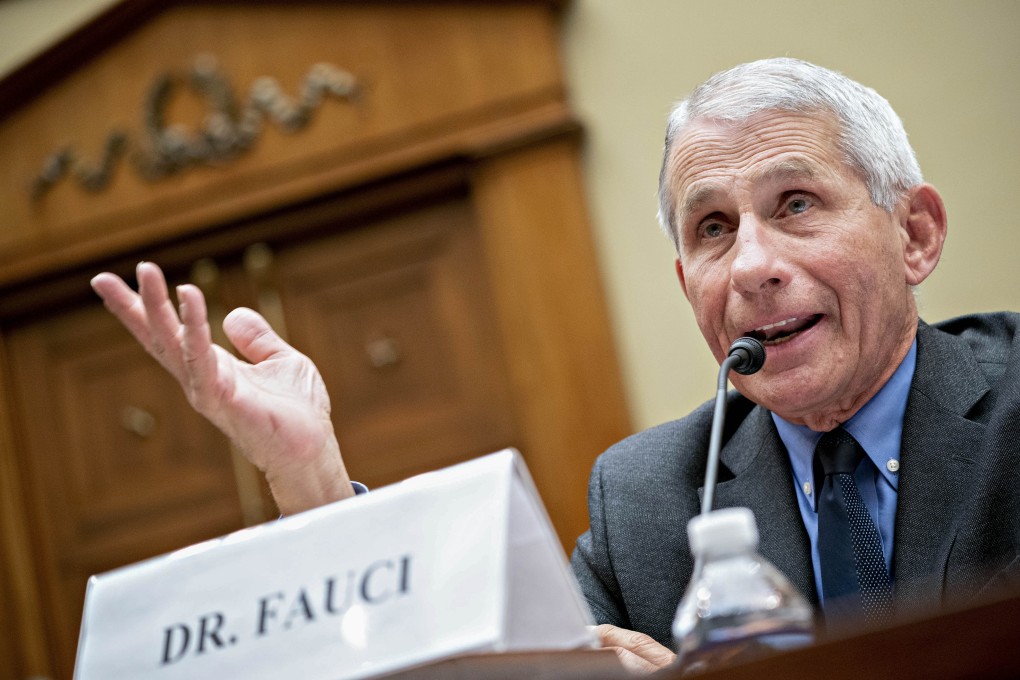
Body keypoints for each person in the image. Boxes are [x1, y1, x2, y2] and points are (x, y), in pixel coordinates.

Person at [91, 58, 1020, 674]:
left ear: (915, 233)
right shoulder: (651, 496)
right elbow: (485, 660)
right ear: (685, 277)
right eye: (712, 229)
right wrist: (315, 482)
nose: (751, 266)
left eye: (798, 204)